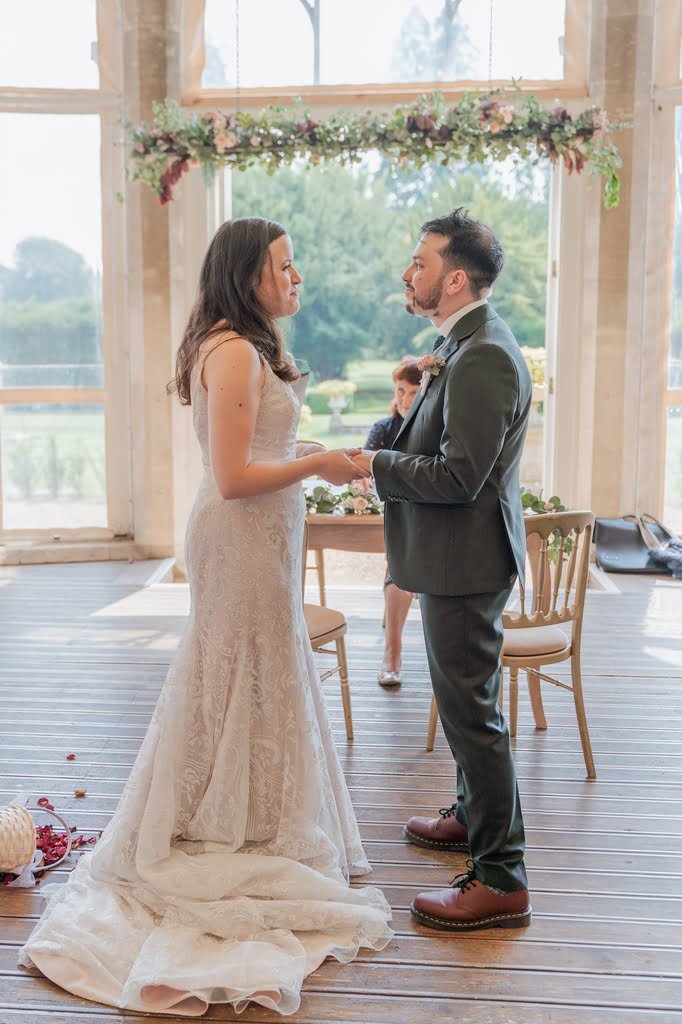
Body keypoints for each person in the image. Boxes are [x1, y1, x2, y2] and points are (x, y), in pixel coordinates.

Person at [20, 217, 393, 1014]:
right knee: (235, 667)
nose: (295, 278)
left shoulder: (246, 350)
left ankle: (258, 811)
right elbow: (231, 476)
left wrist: (313, 459)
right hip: (239, 537)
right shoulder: (230, 350)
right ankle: (219, 821)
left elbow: (256, 452)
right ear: (247, 274)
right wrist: (323, 462)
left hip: (264, 538)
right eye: (284, 266)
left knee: (263, 666)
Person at [351, 207, 533, 932]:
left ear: (455, 278)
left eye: (420, 262)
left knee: (473, 717)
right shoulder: (458, 346)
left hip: (468, 562)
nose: (408, 271)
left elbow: (459, 476)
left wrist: (375, 465)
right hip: (456, 560)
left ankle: (501, 876)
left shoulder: (484, 352)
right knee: (466, 709)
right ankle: (468, 813)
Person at [364, 357, 421, 686]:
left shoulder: (435, 429)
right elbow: (365, 472)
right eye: (400, 391)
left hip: (427, 524)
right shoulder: (383, 429)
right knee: (399, 568)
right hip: (389, 517)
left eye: (413, 392)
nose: (404, 399)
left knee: (403, 567)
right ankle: (392, 652)